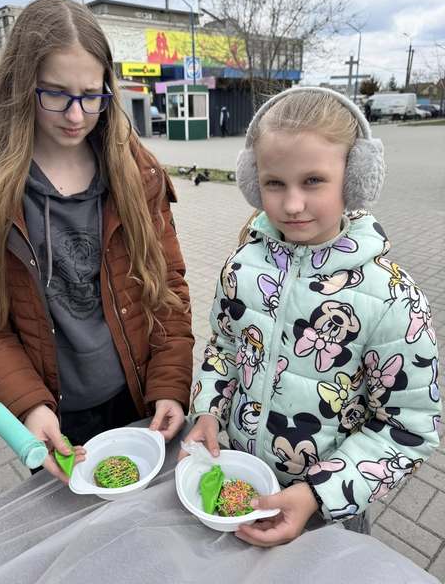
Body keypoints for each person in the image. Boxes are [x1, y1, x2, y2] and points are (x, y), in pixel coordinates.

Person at [181, 86, 441, 546]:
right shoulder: (241, 269)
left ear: (354, 179)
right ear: (253, 181)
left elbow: (407, 429)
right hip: (242, 481)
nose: (292, 204)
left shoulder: (392, 299)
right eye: (274, 183)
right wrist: (208, 412)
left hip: (327, 515)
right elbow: (224, 348)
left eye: (314, 180)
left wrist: (319, 495)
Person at [0, 0, 194, 483]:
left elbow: (168, 285)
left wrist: (171, 384)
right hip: (51, 413)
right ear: (20, 85)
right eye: (56, 94)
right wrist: (27, 406)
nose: (76, 114)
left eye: (91, 95)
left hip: (140, 396)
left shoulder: (137, 172)